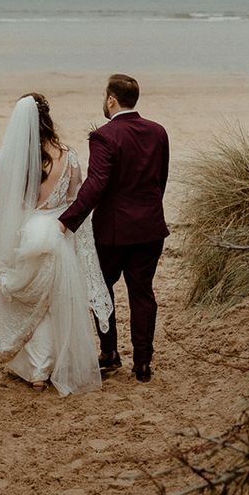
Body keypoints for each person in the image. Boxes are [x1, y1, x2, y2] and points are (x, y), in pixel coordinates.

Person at [0, 93, 112, 396]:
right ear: (48, 118)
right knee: (55, 306)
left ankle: (36, 370)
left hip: (22, 240)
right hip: (56, 238)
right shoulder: (67, 158)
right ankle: (50, 367)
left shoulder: (1, 161)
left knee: (29, 303)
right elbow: (75, 203)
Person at [59, 74, 169, 383]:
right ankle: (143, 365)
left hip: (113, 232)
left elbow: (96, 185)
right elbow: (161, 179)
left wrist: (68, 219)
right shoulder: (158, 132)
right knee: (143, 293)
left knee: (101, 290)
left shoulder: (105, 136)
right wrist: (147, 211)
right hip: (150, 228)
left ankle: (110, 355)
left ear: (111, 99)